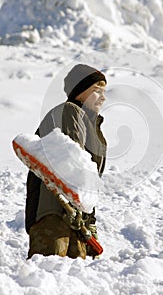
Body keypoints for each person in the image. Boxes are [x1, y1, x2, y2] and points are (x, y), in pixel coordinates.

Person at [25, 64, 107, 259]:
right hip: (52, 213)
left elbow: (90, 182)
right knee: (47, 274)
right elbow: (73, 164)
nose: (103, 97)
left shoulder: (94, 130)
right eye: (97, 91)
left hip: (77, 219)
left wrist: (90, 221)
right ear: (79, 92)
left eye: (104, 92)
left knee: (72, 281)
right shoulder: (68, 111)